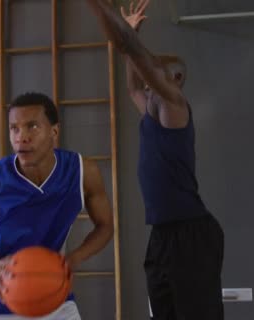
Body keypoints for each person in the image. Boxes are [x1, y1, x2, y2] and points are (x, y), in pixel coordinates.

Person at [85, 1, 225, 319]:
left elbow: (136, 55)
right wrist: (129, 37)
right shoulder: (149, 111)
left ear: (173, 78)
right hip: (161, 234)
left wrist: (127, 38)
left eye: (157, 71)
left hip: (191, 233)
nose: (150, 76)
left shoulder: (174, 105)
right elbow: (133, 82)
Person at [0, 92, 114, 320]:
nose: (21, 137)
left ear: (54, 131)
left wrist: (74, 258)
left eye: (32, 126)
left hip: (53, 296)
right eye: (14, 128)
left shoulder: (83, 172)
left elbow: (105, 226)